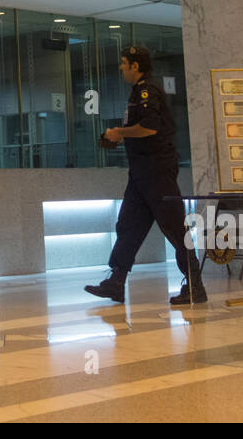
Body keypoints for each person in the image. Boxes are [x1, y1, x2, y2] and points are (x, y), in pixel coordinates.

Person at [86, 47, 206, 306]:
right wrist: (120, 137)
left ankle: (195, 285)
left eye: (124, 63)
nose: (121, 68)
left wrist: (119, 132)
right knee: (128, 225)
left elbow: (150, 128)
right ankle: (116, 282)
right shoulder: (138, 91)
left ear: (136, 66)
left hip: (157, 171)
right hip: (141, 172)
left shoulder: (147, 91)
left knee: (175, 227)